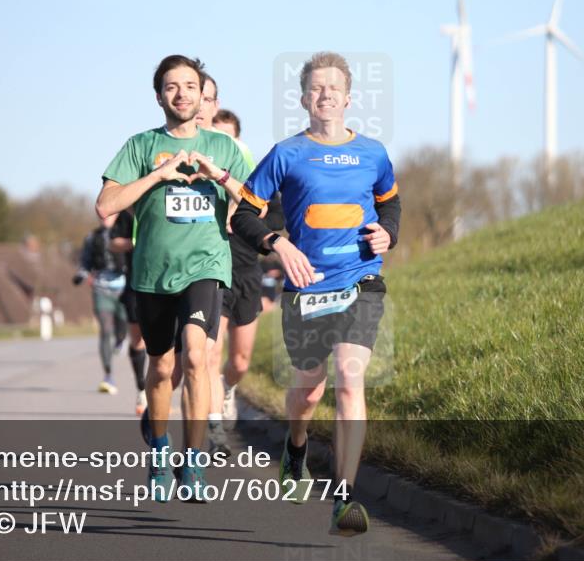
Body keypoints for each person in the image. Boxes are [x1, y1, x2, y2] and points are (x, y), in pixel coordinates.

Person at [231, 51, 401, 536]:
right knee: (307, 391)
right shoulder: (286, 153)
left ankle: (344, 498)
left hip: (360, 279)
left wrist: (389, 232)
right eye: (315, 88)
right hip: (305, 287)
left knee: (350, 379)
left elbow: (391, 203)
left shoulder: (373, 152)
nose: (325, 94)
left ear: (349, 98)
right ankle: (297, 444)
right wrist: (277, 244)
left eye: (333, 88)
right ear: (304, 97)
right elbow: (244, 214)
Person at [96, 55, 249, 502]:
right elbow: (106, 205)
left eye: (189, 85)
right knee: (162, 367)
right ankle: (160, 453)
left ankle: (194, 460)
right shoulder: (140, 145)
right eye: (171, 86)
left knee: (198, 358)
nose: (181, 93)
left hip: (206, 267)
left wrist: (216, 175)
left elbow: (253, 204)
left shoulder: (223, 148)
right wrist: (157, 175)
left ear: (203, 94)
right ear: (159, 95)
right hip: (152, 273)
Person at [205, 108, 284, 438]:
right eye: (217, 137)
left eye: (230, 139)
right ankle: (212, 427)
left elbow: (274, 221)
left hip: (247, 272)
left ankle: (226, 389)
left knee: (239, 361)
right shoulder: (200, 183)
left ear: (239, 144)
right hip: (211, 272)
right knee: (209, 352)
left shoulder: (256, 185)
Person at [74, 214, 129, 395]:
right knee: (105, 330)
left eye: (110, 214)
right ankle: (108, 375)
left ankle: (120, 340)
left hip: (124, 289)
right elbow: (85, 261)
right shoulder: (92, 237)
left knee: (122, 329)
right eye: (102, 215)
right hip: (101, 289)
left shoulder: (127, 232)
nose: (105, 218)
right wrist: (82, 274)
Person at [108, 210, 150, 414]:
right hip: (135, 282)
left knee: (166, 343)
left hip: (165, 280)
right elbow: (112, 242)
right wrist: (135, 242)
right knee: (138, 341)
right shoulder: (128, 212)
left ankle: (159, 390)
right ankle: (142, 388)